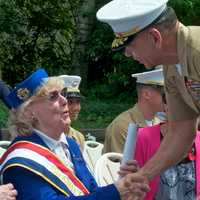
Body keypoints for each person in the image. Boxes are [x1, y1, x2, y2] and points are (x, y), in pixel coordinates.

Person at [0, 68, 149, 200]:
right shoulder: (21, 161)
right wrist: (115, 192)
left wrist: (125, 187)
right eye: (53, 96)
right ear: (29, 111)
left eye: (62, 94)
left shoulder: (70, 144)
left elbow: (91, 191)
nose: (65, 101)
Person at [97, 0, 200, 190]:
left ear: (155, 37)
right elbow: (181, 132)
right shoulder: (172, 67)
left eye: (130, 45)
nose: (127, 54)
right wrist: (144, 175)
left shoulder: (197, 51)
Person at [134, 94, 200, 200]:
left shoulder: (198, 139)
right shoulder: (144, 137)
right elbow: (133, 182)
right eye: (177, 105)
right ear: (165, 106)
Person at [104, 68, 164, 153]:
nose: (170, 99)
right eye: (165, 94)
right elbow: (120, 164)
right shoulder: (122, 126)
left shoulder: (159, 123)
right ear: (146, 94)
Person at [59, 75, 85, 151]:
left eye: (78, 102)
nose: (76, 108)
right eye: (69, 102)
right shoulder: (50, 137)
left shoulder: (79, 137)